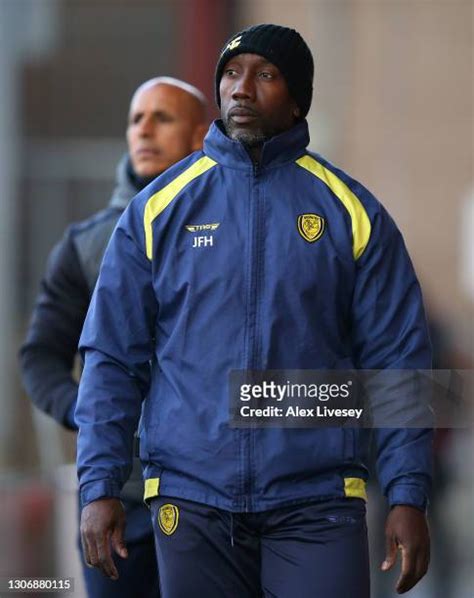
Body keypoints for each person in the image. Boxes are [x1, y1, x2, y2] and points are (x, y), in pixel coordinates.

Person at [76, 24, 432, 598]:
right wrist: (98, 487)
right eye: (231, 74)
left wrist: (408, 494)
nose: (241, 88)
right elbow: (112, 358)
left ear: (296, 101)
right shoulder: (156, 211)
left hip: (317, 502)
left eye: (264, 75)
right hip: (191, 502)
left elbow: (401, 363)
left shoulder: (352, 214)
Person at [20, 76, 207, 597]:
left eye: (162, 118)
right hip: (116, 499)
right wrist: (93, 412)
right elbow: (39, 357)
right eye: (135, 118)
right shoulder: (85, 246)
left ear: (200, 136)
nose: (144, 129)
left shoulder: (236, 234)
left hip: (210, 496)